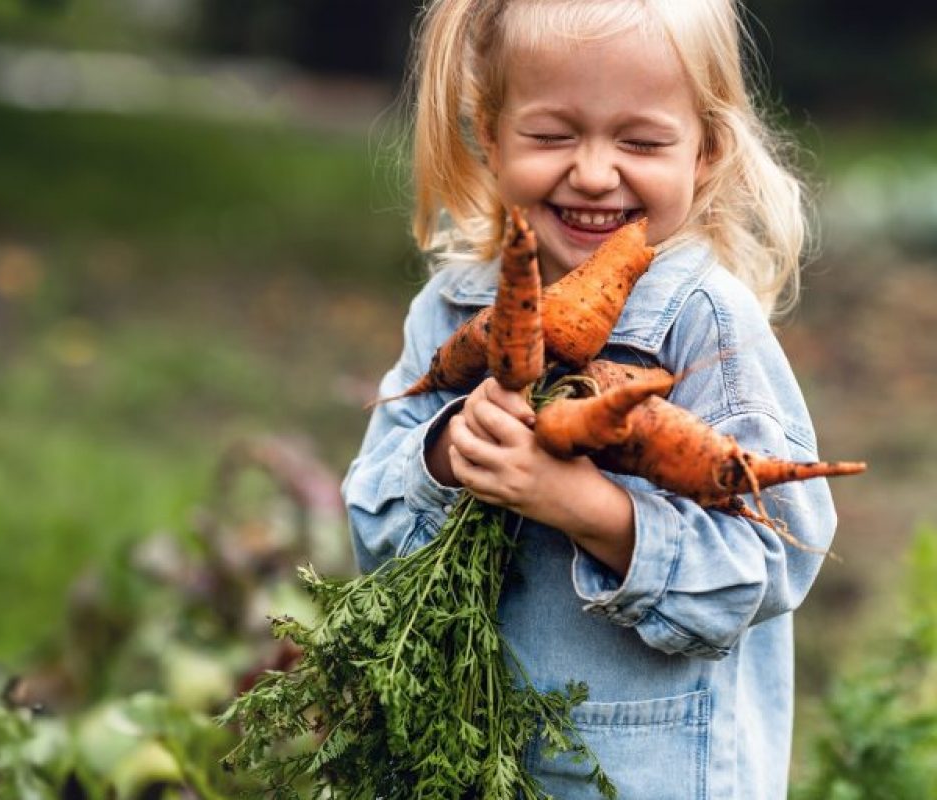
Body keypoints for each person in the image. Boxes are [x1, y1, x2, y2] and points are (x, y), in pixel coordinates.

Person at [343, 0, 835, 797]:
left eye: (640, 142)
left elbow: (778, 560)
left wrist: (587, 508)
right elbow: (373, 531)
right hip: (459, 765)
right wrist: (446, 453)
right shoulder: (451, 312)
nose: (596, 173)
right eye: (551, 135)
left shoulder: (703, 325)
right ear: (491, 135)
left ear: (705, 151)